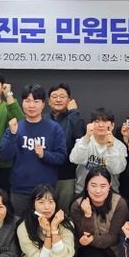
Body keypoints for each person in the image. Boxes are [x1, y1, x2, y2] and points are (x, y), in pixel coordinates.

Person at [0, 84, 67, 216]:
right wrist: (12, 134)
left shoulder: (54, 128)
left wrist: (44, 154)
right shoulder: (15, 127)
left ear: (43, 104)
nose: (31, 105)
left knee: (44, 227)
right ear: (22, 103)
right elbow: (4, 156)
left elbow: (61, 158)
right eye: (27, 101)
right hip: (19, 191)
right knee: (19, 225)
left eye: (36, 101)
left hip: (45, 193)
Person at [70, 167, 128, 257]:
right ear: (86, 186)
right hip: (90, 252)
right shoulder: (77, 205)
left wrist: (92, 240)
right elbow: (83, 235)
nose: (98, 191)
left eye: (103, 186)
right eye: (93, 185)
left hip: (113, 253)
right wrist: (88, 215)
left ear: (109, 186)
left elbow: (114, 237)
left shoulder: (119, 203)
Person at [69, 108, 127, 194]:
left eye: (105, 121)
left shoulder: (119, 146)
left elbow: (116, 170)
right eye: (97, 121)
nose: (101, 125)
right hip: (83, 191)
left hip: (110, 193)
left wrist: (111, 147)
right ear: (90, 124)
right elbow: (74, 159)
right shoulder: (84, 141)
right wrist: (86, 138)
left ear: (112, 125)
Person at [48, 83, 86, 212]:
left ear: (69, 100)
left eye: (62, 96)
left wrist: (74, 112)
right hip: (45, 173)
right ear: (48, 101)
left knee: (64, 212)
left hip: (67, 175)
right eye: (54, 96)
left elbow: (81, 138)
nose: (58, 99)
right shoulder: (43, 118)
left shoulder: (74, 117)